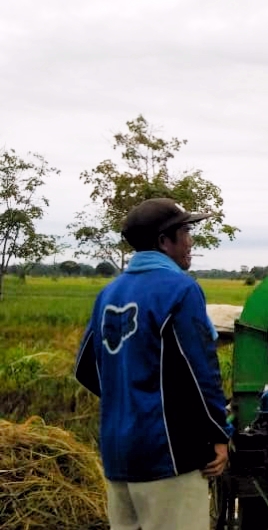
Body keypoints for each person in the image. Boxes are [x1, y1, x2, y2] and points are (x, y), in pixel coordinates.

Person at [73, 198, 232, 530]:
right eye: (186, 232)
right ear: (165, 240)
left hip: (118, 458)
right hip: (169, 458)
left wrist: (131, 405)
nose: (191, 242)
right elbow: (201, 371)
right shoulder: (181, 290)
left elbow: (86, 368)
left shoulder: (110, 292)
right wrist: (218, 433)